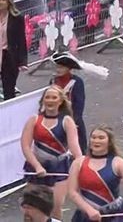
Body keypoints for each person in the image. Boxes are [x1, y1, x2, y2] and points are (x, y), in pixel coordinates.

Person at [67, 125, 123, 221]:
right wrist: (89, 210)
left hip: (114, 215)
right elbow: (72, 192)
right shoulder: (78, 163)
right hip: (85, 216)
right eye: (93, 137)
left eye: (101, 138)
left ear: (109, 142)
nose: (96, 141)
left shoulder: (118, 163)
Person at [20, 86, 83, 217]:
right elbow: (25, 146)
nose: (50, 100)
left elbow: (75, 149)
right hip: (36, 166)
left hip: (59, 167)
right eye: (47, 97)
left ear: (60, 101)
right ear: (43, 100)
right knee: (30, 207)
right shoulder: (34, 120)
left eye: (54, 97)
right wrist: (37, 166)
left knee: (55, 206)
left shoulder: (67, 121)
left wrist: (82, 169)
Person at [50, 51, 108, 154]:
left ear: (69, 68)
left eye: (61, 67)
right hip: (56, 120)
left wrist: (73, 122)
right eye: (57, 67)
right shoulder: (53, 81)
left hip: (73, 120)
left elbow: (79, 105)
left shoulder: (77, 82)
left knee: (78, 149)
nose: (58, 70)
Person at [0, 0, 26, 100]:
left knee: (9, 90)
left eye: (3, 0)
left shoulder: (17, 18)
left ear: (9, 2)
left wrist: (23, 61)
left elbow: (21, 40)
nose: (0, 2)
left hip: (9, 57)